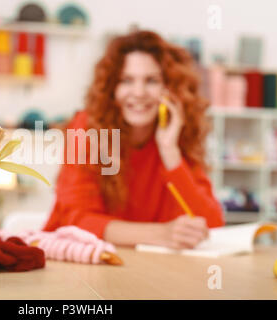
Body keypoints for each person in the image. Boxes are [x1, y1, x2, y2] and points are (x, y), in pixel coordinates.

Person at [43, 30, 224, 249]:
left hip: (145, 268)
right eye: (126, 80)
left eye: (151, 81)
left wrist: (170, 152)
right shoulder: (86, 127)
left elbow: (211, 224)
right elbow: (76, 220)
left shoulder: (179, 139)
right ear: (111, 88)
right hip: (81, 264)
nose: (138, 92)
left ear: (171, 89)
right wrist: (161, 235)